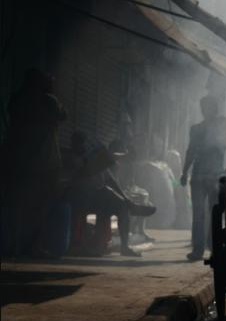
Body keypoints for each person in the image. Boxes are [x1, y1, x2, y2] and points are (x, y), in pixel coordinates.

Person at [3, 69, 67, 256]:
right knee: (39, 206)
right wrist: (54, 93)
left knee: (16, 205)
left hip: (16, 159)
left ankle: (14, 244)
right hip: (42, 163)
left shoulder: (17, 99)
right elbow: (63, 115)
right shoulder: (48, 100)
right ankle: (33, 246)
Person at [66, 132, 154, 257]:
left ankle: (125, 247)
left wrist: (125, 199)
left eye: (84, 144)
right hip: (81, 195)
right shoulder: (73, 159)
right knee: (91, 204)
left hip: (99, 194)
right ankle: (85, 247)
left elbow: (110, 180)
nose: (83, 146)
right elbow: (81, 174)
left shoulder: (94, 158)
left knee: (122, 206)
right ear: (74, 145)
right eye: (79, 143)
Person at [180, 95, 226, 261]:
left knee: (213, 214)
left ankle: (212, 248)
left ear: (214, 109)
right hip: (200, 176)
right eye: (204, 107)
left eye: (209, 107)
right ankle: (200, 249)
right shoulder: (197, 129)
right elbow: (190, 151)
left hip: (214, 176)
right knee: (201, 214)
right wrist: (184, 172)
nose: (207, 110)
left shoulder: (221, 125)